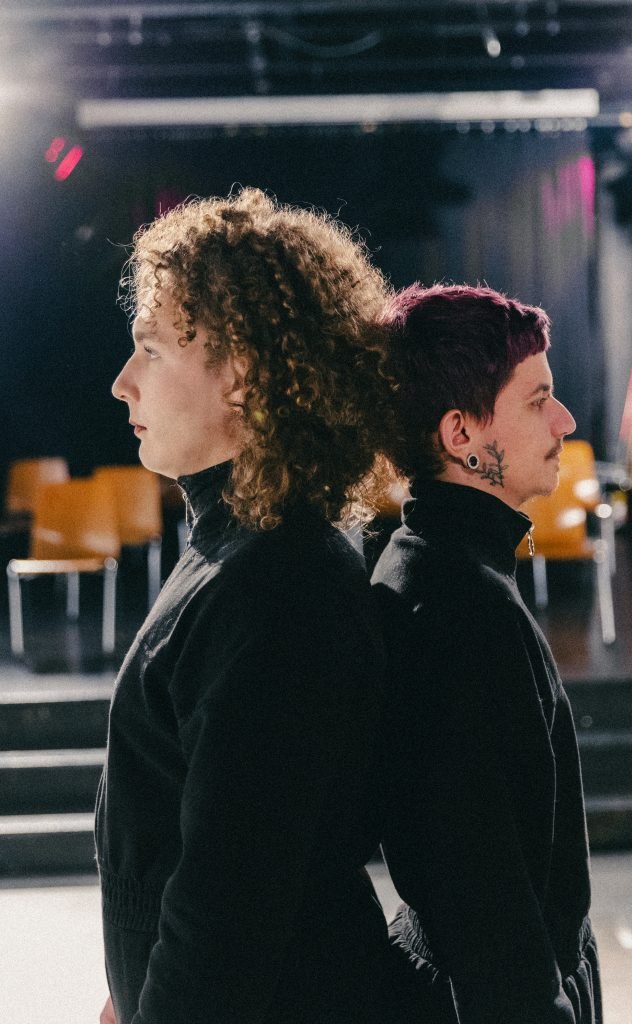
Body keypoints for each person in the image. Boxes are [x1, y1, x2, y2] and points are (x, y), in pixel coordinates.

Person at [97, 187, 402, 1024]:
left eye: (150, 351)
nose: (122, 384)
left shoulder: (278, 587)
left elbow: (227, 912)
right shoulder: (239, 550)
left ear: (240, 374)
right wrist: (130, 991)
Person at [372, 284, 602, 1023]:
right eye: (537, 401)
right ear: (460, 433)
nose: (564, 420)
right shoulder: (456, 607)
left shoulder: (438, 566)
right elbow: (482, 902)